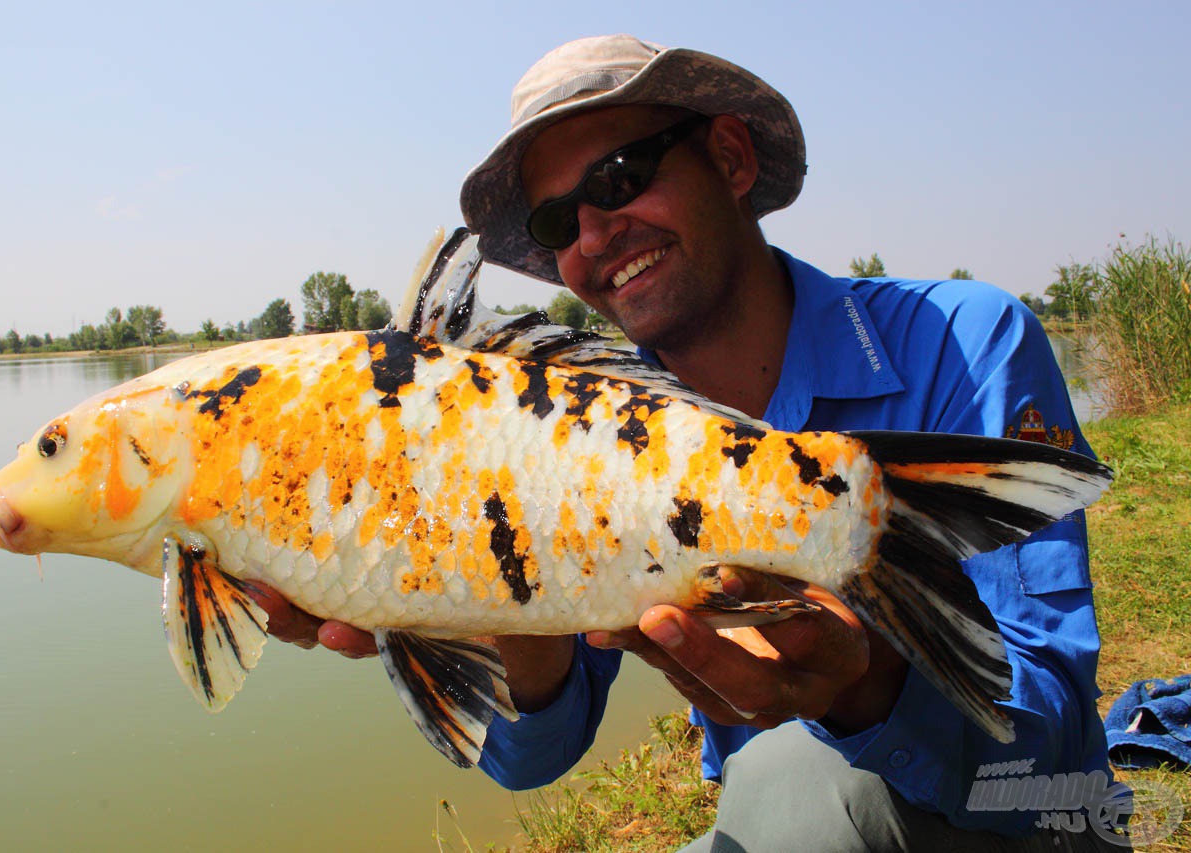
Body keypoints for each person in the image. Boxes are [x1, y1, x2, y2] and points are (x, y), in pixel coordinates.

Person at [249, 35, 1117, 851]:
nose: (592, 239)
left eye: (620, 177)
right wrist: (491, 604)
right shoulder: (572, 425)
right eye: (556, 223)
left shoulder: (969, 340)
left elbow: (1055, 743)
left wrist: (869, 681)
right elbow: (531, 758)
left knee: (793, 776)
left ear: (731, 158)